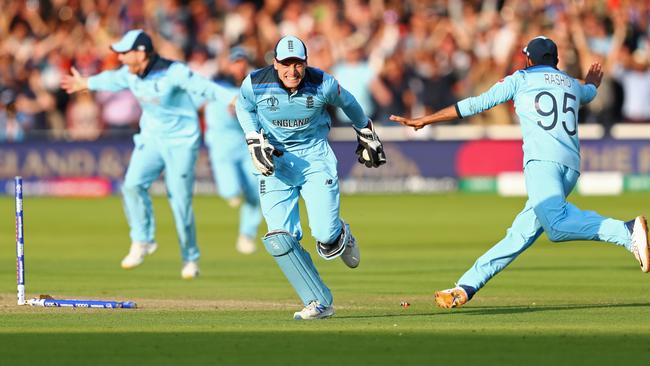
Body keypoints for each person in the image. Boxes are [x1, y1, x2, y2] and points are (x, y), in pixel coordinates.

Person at [390, 36, 650, 308]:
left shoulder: (521, 79)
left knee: (558, 226)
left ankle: (625, 231)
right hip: (570, 167)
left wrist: (425, 119)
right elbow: (589, 92)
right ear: (556, 60)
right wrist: (593, 83)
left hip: (542, 164)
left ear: (528, 59)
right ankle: (466, 286)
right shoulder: (572, 85)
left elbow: (475, 105)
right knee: (520, 234)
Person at [235, 35, 386, 320]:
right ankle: (318, 301)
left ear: (305, 63)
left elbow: (350, 103)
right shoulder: (254, 83)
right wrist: (254, 138)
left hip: (314, 157)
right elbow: (243, 107)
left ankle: (340, 232)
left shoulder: (323, 83)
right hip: (275, 161)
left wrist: (365, 130)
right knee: (280, 239)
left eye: (298, 64)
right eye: (286, 64)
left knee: (327, 238)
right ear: (275, 63)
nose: (292, 71)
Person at [61, 29, 231, 279]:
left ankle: (190, 257)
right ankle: (142, 241)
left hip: (182, 142)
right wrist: (85, 82)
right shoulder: (130, 74)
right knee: (131, 186)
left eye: (124, 53)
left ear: (141, 53)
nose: (120, 58)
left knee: (180, 202)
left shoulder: (174, 72)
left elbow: (205, 87)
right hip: (151, 140)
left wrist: (232, 98)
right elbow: (110, 79)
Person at [203, 47, 261, 254]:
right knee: (230, 191)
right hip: (221, 143)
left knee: (257, 192)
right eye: (235, 61)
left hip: (245, 143)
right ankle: (233, 192)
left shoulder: (253, 86)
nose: (240, 66)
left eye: (242, 61)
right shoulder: (214, 84)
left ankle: (247, 234)